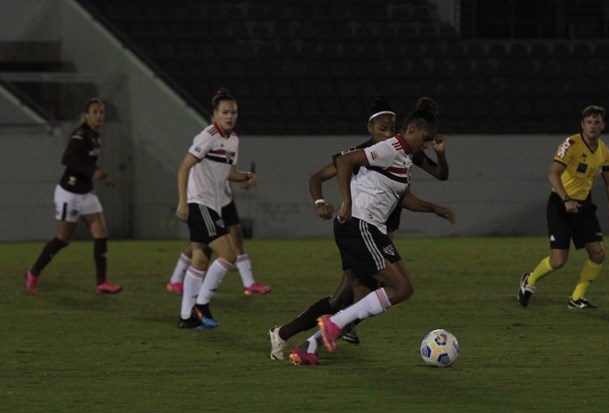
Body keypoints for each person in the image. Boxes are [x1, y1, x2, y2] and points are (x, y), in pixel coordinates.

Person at [268, 96, 453, 364]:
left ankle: (298, 341)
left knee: (344, 300)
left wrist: (439, 163)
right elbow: (342, 163)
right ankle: (333, 328)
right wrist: (341, 202)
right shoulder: (385, 150)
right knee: (394, 290)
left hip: (371, 230)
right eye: (383, 127)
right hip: (360, 226)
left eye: (391, 127)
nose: (388, 132)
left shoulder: (407, 154)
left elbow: (425, 184)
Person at [517, 105, 609, 310]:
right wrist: (566, 199)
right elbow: (553, 173)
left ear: (603, 126)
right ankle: (529, 281)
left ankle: (576, 299)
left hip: (584, 206)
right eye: (589, 122)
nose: (592, 126)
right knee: (558, 261)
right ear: (582, 125)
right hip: (560, 203)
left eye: (596, 122)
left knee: (598, 253)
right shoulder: (571, 144)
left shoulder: (604, 152)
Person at [175, 88, 257, 329]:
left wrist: (244, 177)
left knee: (199, 261)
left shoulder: (233, 140)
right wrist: (183, 201)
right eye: (225, 112)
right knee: (229, 254)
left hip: (213, 204)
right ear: (214, 115)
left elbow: (229, 170)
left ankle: (186, 317)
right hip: (200, 202)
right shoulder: (207, 136)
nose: (230, 116)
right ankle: (202, 304)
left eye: (233, 112)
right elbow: (184, 167)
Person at [25, 98, 123, 295]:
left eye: (101, 112)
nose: (99, 116)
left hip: (86, 193)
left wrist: (100, 176)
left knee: (101, 235)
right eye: (95, 112)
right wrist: (93, 171)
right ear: (86, 115)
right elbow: (67, 159)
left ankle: (101, 283)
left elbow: (85, 163)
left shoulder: (96, 136)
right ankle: (33, 272)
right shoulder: (81, 134)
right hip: (69, 193)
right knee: (62, 239)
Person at [165, 186, 272, 296]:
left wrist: (242, 178)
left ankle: (249, 283)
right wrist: (183, 201)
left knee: (236, 235)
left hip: (223, 196)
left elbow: (227, 171)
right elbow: (184, 170)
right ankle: (180, 284)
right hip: (204, 199)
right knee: (202, 242)